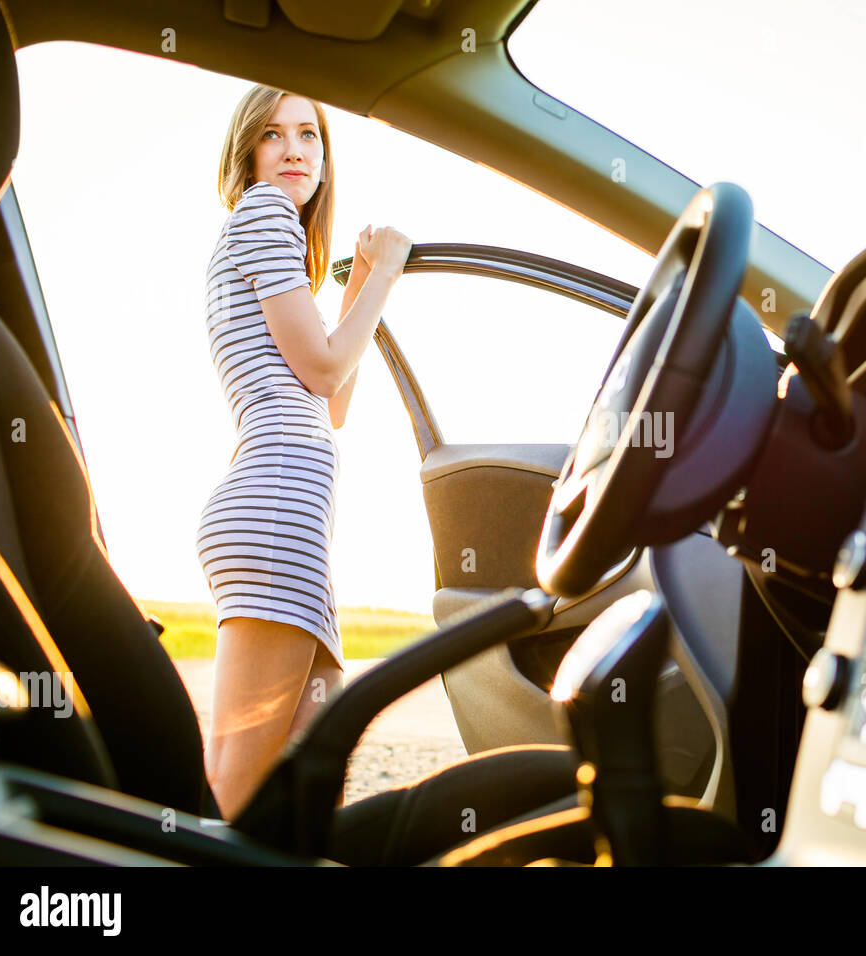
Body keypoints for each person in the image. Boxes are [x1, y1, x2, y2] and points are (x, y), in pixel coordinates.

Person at [195, 87, 578, 860]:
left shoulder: (267, 240)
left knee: (303, 780)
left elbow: (331, 397)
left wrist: (355, 281)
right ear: (248, 156)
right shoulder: (264, 213)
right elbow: (327, 362)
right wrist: (387, 273)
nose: (297, 150)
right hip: (273, 510)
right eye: (274, 136)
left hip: (285, 513)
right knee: (238, 797)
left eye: (311, 134)